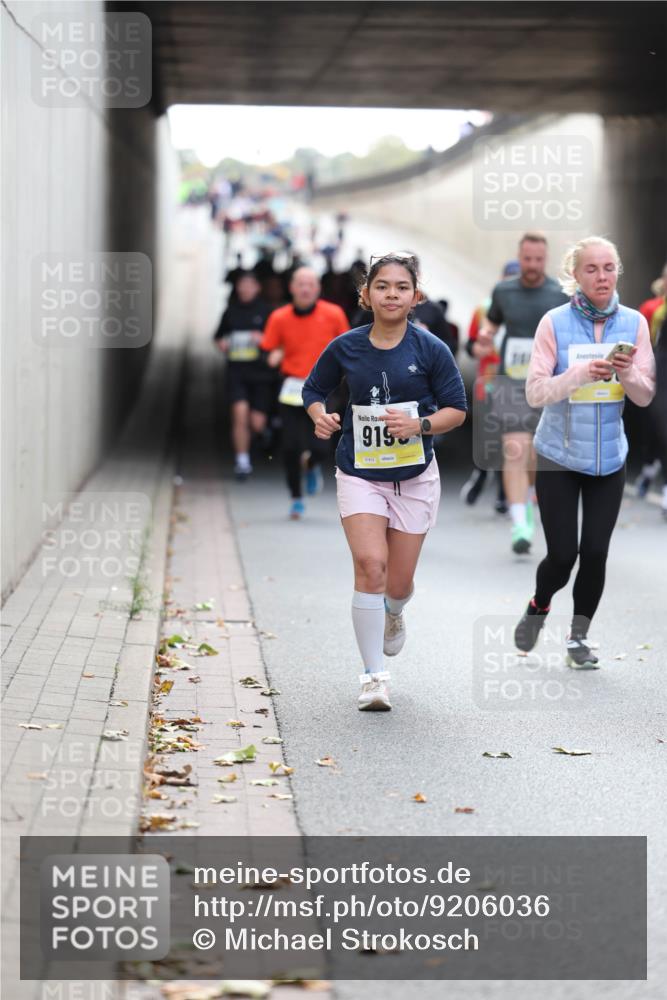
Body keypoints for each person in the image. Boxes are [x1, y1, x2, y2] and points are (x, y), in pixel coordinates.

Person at [302, 253, 467, 711]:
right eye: (382, 286)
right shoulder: (346, 347)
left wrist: (421, 426)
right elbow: (313, 390)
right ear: (366, 295)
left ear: (416, 297)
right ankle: (373, 677)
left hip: (414, 477)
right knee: (370, 565)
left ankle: (394, 612)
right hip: (359, 471)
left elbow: (457, 409)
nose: (391, 294)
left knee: (397, 582)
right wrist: (321, 416)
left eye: (401, 287)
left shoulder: (431, 349)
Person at [514, 237, 656, 668]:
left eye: (609, 268)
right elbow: (536, 392)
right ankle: (540, 604)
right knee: (563, 554)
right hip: (559, 454)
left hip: (609, 458)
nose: (601, 277)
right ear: (575, 275)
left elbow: (646, 396)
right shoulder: (554, 322)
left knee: (595, 551)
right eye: (591, 269)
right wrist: (576, 375)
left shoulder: (633, 323)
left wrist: (629, 375)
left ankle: (579, 638)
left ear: (618, 273)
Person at [477, 234, 569, 554]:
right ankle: (520, 523)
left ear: (545, 259)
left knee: (535, 453)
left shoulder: (559, 294)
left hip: (546, 383)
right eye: (527, 259)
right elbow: (491, 323)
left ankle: (528, 497)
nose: (531, 266)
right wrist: (485, 338)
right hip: (511, 382)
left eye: (538, 260)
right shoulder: (504, 291)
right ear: (519, 256)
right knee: (515, 447)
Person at [260, 267, 349, 518]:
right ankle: (296, 498)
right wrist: (273, 356)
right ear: (292, 288)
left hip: (324, 387)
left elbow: (348, 347)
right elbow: (267, 350)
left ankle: (311, 465)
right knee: (290, 446)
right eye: (300, 284)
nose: (305, 289)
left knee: (321, 445)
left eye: (310, 284)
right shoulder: (279, 317)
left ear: (318, 288)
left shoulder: (333, 314)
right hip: (292, 387)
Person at [460, 260, 520, 511]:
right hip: (490, 383)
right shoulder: (484, 309)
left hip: (518, 385)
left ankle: (505, 495)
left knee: (512, 440)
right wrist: (478, 348)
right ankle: (482, 472)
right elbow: (470, 345)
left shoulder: (533, 311)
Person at [213, 273, 274, 480]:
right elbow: (218, 336)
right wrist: (222, 343)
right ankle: (242, 462)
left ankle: (264, 434)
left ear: (257, 288)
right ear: (237, 288)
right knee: (239, 416)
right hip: (236, 373)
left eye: (250, 285)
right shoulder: (231, 312)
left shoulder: (266, 312)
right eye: (242, 285)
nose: (245, 289)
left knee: (256, 423)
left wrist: (263, 339)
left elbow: (277, 341)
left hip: (260, 375)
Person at [634, 262, 667, 497]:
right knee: (656, 428)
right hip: (659, 372)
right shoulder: (653, 309)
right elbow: (644, 343)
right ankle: (649, 467)